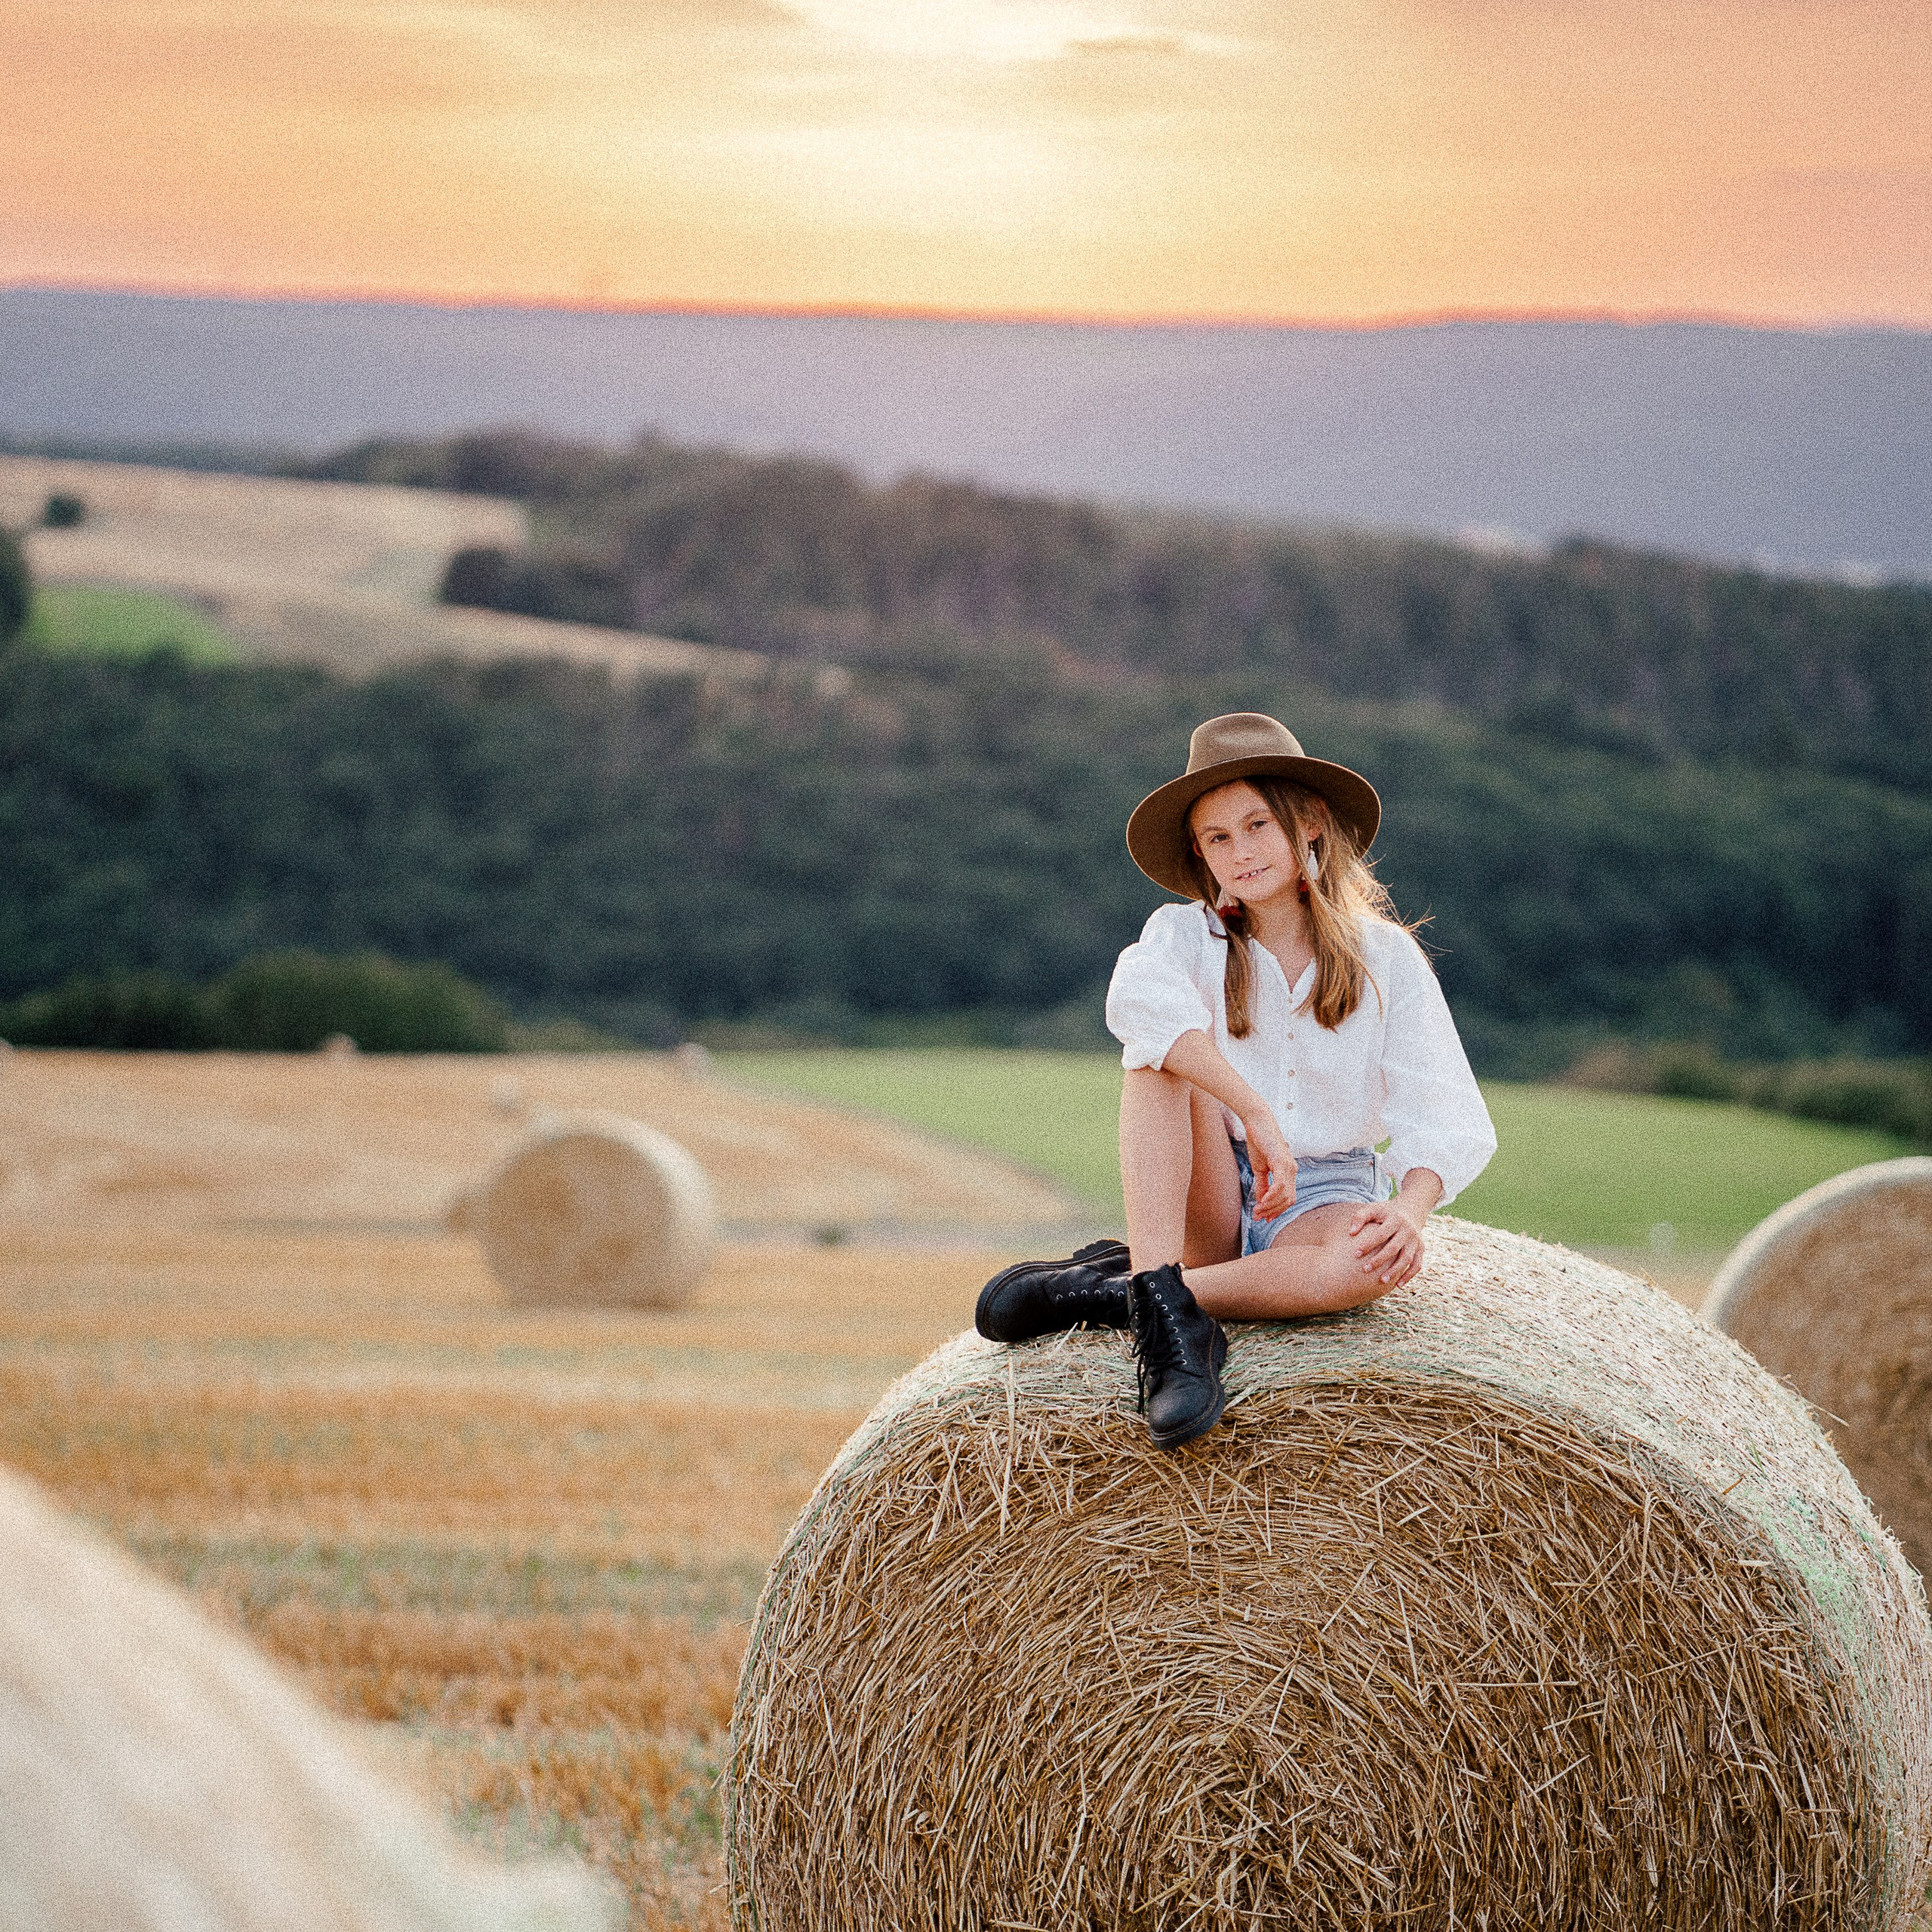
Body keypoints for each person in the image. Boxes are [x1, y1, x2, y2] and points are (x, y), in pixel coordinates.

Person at [977, 712, 1497, 1450]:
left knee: (1364, 1267)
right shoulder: (1184, 937)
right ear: (1200, 852)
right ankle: (1167, 1325)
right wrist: (1253, 1112)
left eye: (1257, 825)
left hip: (1321, 1194)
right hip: (1213, 1183)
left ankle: (1126, 1293)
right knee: (1155, 1056)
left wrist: (1409, 1212)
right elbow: (1139, 1006)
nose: (1241, 851)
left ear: (1310, 823)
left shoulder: (1386, 958)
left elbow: (1443, 1110)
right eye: (1217, 838)